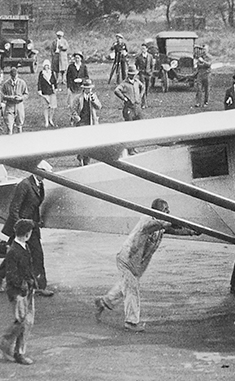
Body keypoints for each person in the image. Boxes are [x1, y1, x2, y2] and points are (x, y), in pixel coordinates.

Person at [94, 199, 198, 332]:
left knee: (125, 286)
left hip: (138, 263)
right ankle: (131, 322)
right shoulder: (147, 220)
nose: (169, 212)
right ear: (156, 211)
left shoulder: (161, 225)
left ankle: (103, 302)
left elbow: (171, 229)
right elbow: (158, 225)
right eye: (166, 210)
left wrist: (191, 232)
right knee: (132, 287)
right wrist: (173, 222)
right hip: (127, 259)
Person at [0, 160, 54, 297]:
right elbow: (14, 208)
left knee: (36, 254)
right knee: (15, 255)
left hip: (31, 226)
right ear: (37, 171)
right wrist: (19, 227)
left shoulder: (39, 185)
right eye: (44, 173)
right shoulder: (25, 185)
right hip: (21, 227)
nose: (46, 176)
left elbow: (35, 206)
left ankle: (40, 286)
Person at [0, 218, 37, 365]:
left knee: (26, 321)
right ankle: (14, 349)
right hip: (19, 291)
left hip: (26, 289)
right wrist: (23, 285)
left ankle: (8, 345)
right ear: (27, 234)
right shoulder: (15, 251)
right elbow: (12, 274)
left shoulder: (22, 247)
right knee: (22, 321)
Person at [70, 79, 102, 166]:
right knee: (82, 141)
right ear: (84, 89)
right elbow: (73, 110)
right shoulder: (78, 98)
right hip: (81, 122)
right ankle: (80, 157)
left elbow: (99, 106)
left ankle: (87, 159)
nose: (89, 90)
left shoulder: (93, 96)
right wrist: (77, 118)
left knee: (90, 141)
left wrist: (93, 100)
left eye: (90, 88)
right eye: (87, 88)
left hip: (90, 121)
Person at [2, 68, 29, 134]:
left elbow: (26, 94)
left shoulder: (22, 83)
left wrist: (21, 98)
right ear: (10, 76)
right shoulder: (6, 84)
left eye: (15, 76)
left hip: (19, 106)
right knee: (9, 126)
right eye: (13, 77)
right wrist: (10, 97)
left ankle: (19, 141)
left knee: (19, 125)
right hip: (10, 106)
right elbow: (2, 96)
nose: (14, 78)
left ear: (17, 75)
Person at [37, 60, 58, 128]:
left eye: (48, 66)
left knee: (52, 107)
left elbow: (55, 82)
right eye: (45, 66)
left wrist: (56, 88)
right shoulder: (41, 73)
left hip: (51, 92)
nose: (47, 67)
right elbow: (39, 82)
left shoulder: (52, 73)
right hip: (44, 92)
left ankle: (50, 119)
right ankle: (46, 121)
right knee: (45, 107)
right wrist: (39, 90)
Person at [134, 43, 155, 108]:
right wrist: (138, 71)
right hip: (142, 74)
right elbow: (136, 65)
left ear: (147, 49)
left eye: (144, 48)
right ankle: (143, 103)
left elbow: (152, 65)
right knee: (143, 87)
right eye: (142, 48)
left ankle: (145, 102)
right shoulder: (138, 57)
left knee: (147, 88)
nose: (143, 50)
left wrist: (151, 72)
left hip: (148, 74)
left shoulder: (150, 56)